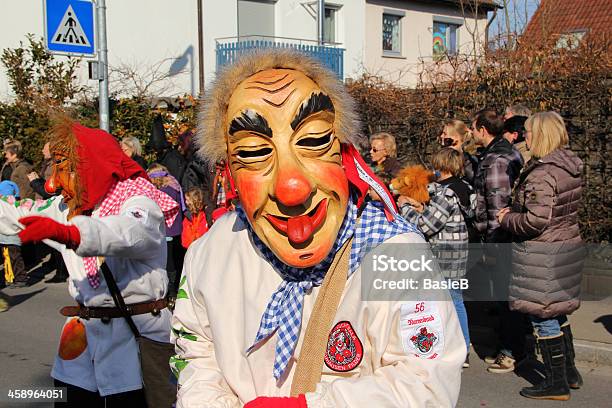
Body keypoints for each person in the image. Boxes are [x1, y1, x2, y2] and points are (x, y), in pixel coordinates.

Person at [170, 49, 464, 407]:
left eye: (312, 142)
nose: (291, 187)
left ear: (344, 153)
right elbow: (196, 354)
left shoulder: (397, 253)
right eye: (251, 153)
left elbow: (427, 380)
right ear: (228, 171)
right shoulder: (212, 251)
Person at [0, 115, 179, 406]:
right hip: (79, 347)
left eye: (64, 169)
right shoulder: (64, 206)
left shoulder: (138, 200)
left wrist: (74, 234)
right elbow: (12, 214)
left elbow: (130, 232)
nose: (52, 183)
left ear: (89, 166)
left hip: (134, 347)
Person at [498, 111, 585, 400]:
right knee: (557, 310)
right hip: (564, 246)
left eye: (530, 132)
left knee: (542, 316)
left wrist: (507, 217)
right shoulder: (568, 166)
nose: (526, 137)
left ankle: (555, 382)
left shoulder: (543, 173)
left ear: (542, 135)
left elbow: (536, 220)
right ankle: (569, 374)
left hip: (542, 254)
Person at [398, 148, 476, 369]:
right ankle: (456, 346)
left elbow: (426, 225)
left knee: (452, 301)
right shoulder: (464, 189)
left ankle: (462, 349)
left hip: (446, 258)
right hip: (456, 254)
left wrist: (405, 206)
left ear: (440, 167)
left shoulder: (445, 194)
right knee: (451, 301)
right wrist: (422, 207)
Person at [471, 109, 526, 374]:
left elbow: (497, 204)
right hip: (506, 234)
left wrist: (493, 243)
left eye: (473, 129)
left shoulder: (495, 159)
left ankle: (511, 351)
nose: (471, 133)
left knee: (506, 296)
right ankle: (512, 346)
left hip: (501, 237)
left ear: (482, 129)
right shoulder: (505, 151)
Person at [147, 163, 185, 299]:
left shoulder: (162, 192)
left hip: (166, 231)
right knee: (176, 260)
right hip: (176, 230)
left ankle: (170, 291)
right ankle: (175, 289)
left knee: (168, 262)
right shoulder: (174, 186)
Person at [438, 119, 478, 184]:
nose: (441, 136)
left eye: (445, 134)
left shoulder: (468, 161)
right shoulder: (443, 157)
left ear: (456, 137)